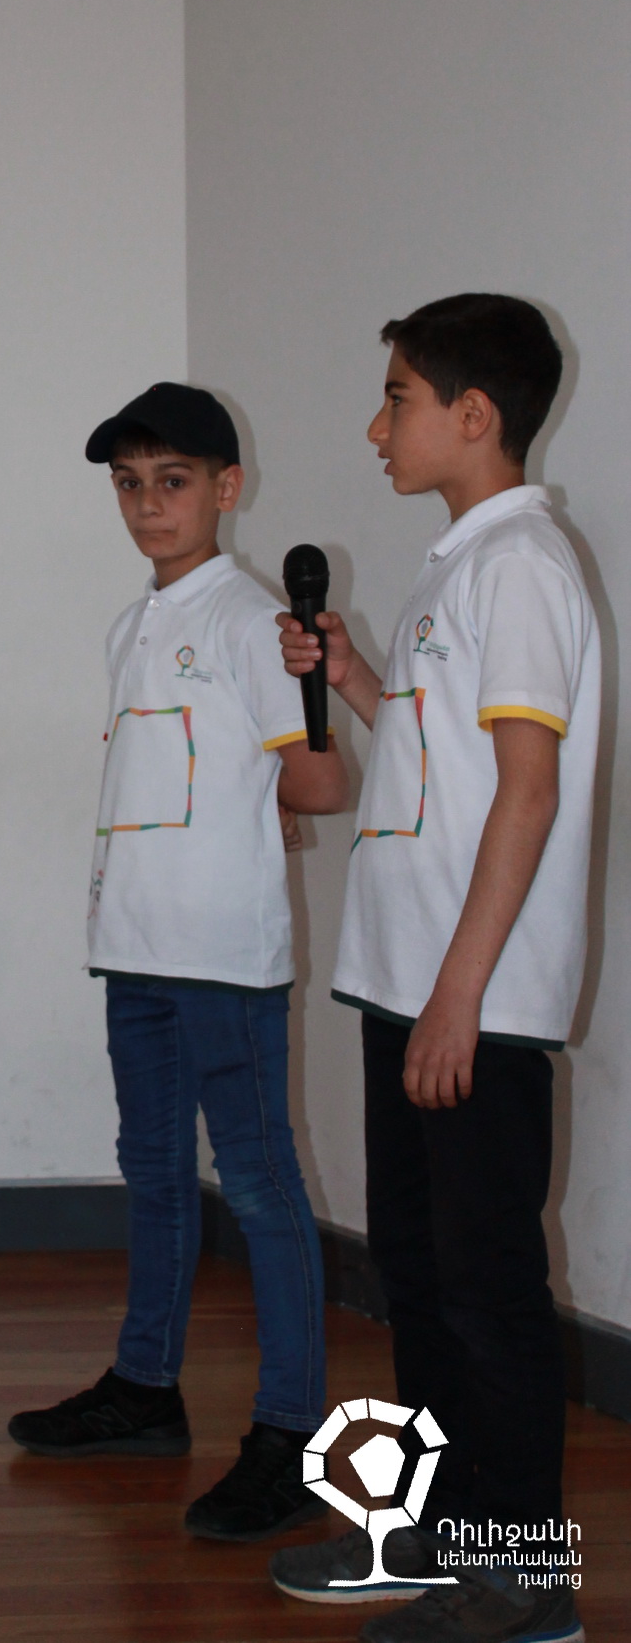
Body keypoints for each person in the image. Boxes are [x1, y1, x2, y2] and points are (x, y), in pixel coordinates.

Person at [268, 296, 597, 1643]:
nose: (376, 425)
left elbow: (528, 790)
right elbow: (442, 761)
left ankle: (525, 1581)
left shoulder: (521, 564)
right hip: (408, 986)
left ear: (474, 414)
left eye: (397, 397)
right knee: (417, 1269)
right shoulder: (461, 565)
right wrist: (358, 677)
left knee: (486, 1286)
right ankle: (441, 1532)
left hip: (473, 1003)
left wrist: (462, 993)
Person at [7, 383, 349, 1542]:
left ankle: (292, 1434)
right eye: (129, 484)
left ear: (226, 489)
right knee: (153, 1171)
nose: (149, 505)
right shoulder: (132, 625)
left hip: (222, 957)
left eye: (173, 481)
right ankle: (147, 1387)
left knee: (256, 1184)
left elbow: (320, 785)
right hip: (135, 949)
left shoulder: (252, 621)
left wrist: (284, 766)